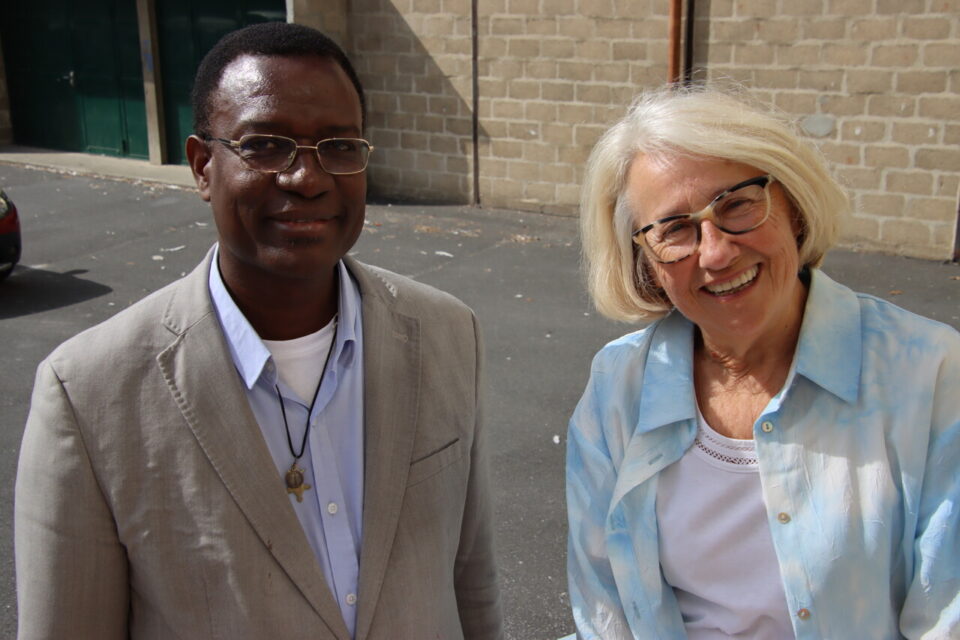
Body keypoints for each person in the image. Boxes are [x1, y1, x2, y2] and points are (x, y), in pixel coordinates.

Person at [15, 22, 502, 640]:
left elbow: (472, 583)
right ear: (201, 167)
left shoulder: (448, 334)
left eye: (339, 146)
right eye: (266, 145)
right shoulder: (88, 395)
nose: (308, 177)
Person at [566, 86, 959, 639]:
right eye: (675, 228)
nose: (717, 252)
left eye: (737, 204)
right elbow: (604, 610)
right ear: (647, 265)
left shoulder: (930, 372)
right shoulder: (618, 386)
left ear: (793, 208)